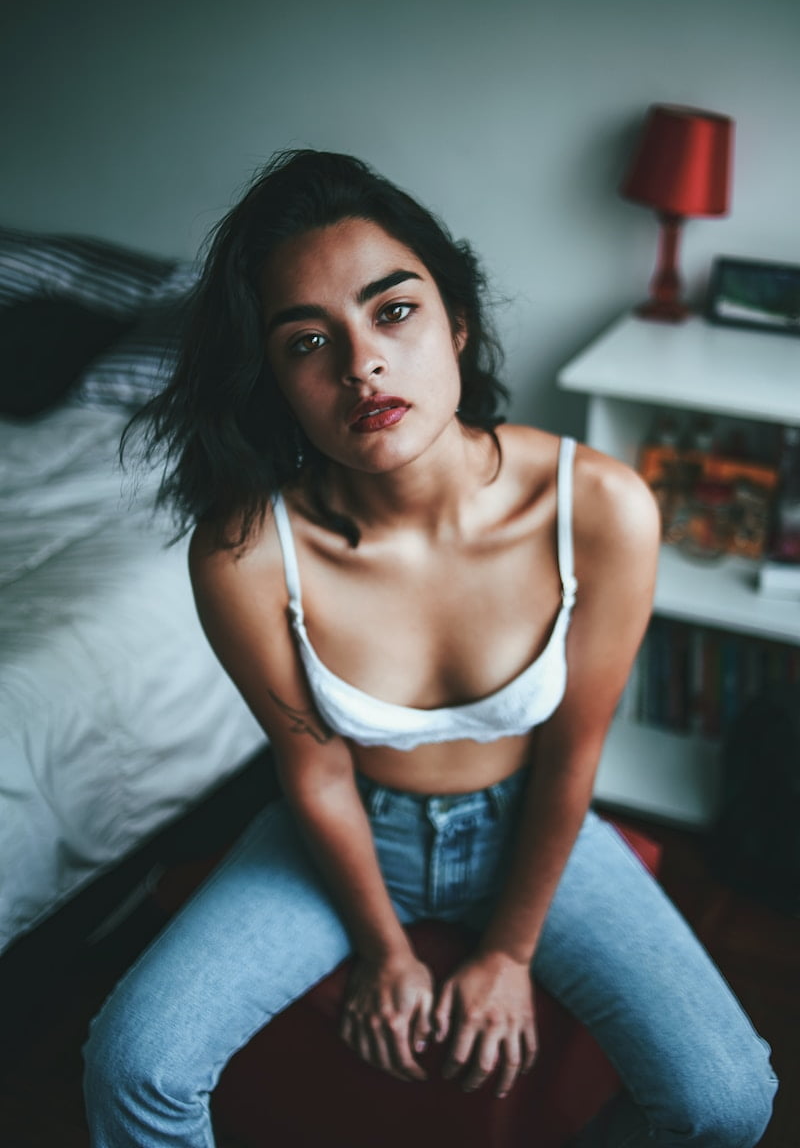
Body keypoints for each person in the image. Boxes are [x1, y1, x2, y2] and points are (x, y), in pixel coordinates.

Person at [83, 149, 777, 1147]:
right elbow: (313, 773)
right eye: (305, 342)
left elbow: (574, 749)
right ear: (274, 383)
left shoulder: (596, 509)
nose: (360, 362)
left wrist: (507, 951)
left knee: (724, 1101)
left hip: (528, 823)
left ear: (457, 320)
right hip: (344, 831)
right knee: (133, 1065)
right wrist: (384, 953)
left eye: (391, 311)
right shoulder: (244, 553)